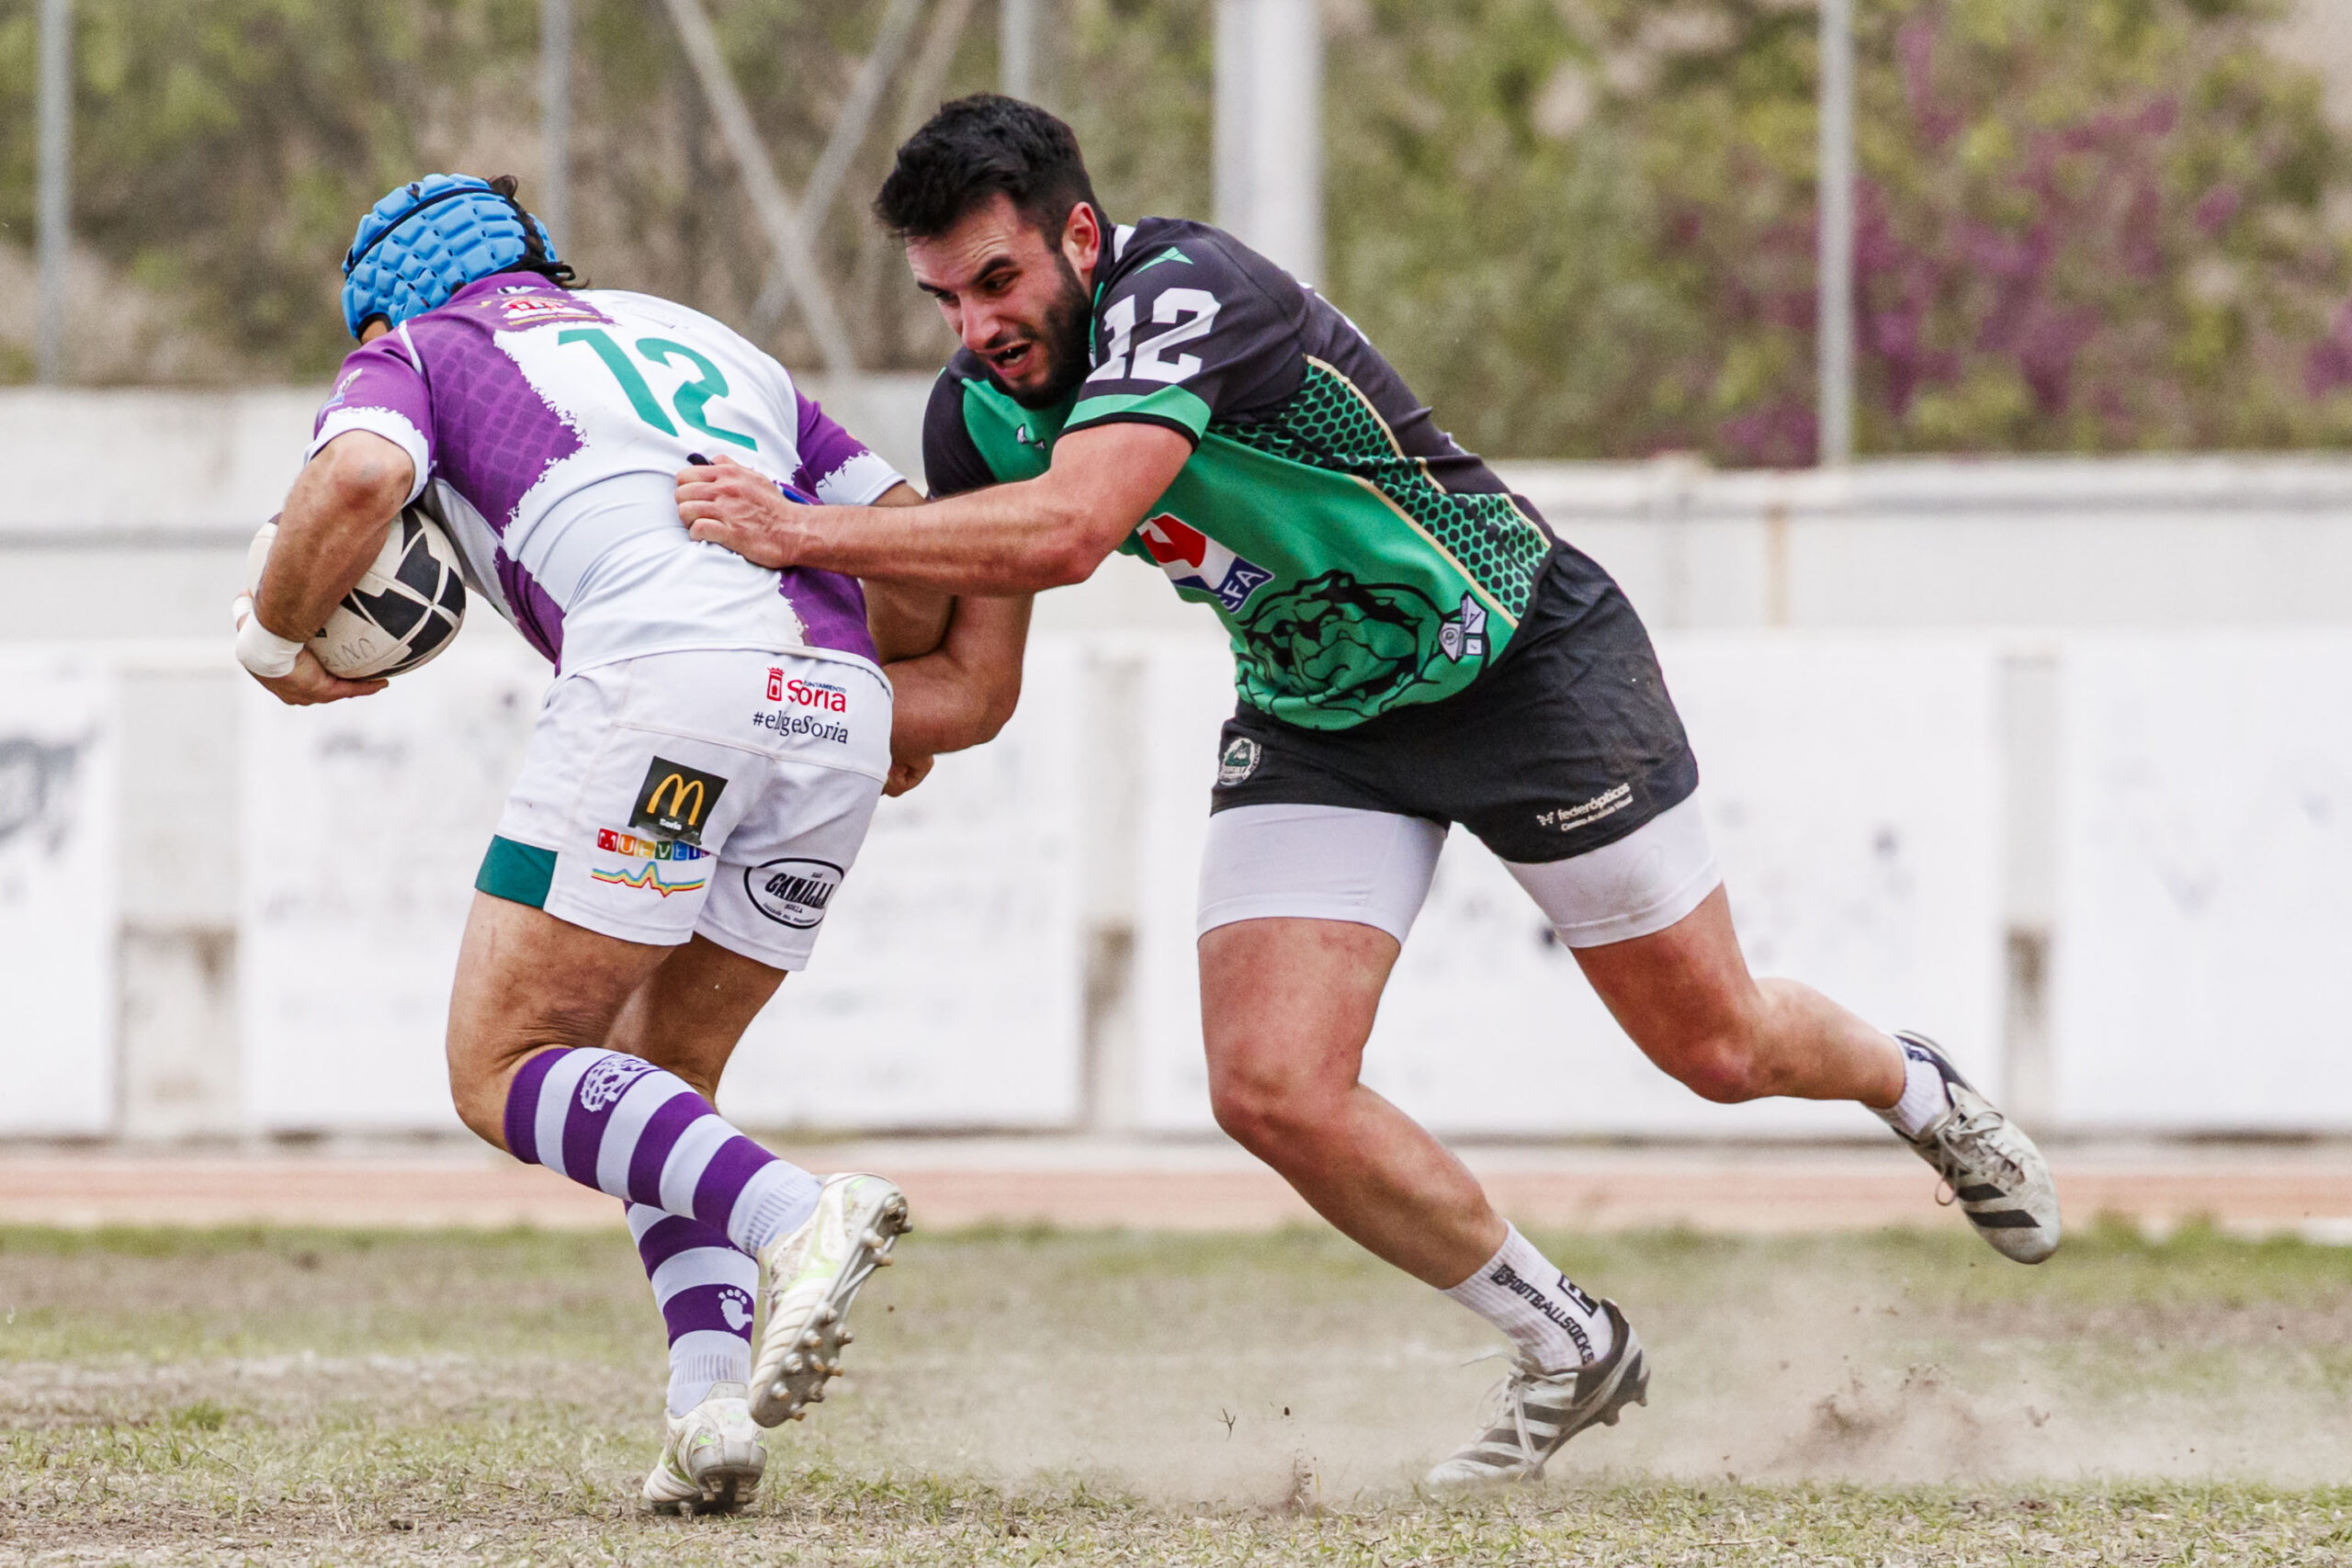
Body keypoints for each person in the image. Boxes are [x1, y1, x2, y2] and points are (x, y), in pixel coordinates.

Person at [673, 96, 2064, 1486]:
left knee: (1718, 1049)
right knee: (1269, 1085)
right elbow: (975, 691)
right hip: (1319, 713)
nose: (979, 326)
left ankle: (1916, 1088)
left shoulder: (1185, 292)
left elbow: (1079, 524)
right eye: (945, 299)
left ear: (1079, 237)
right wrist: (808, 715)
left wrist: (792, 528)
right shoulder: (977, 412)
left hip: (1522, 660)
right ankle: (1568, 1343)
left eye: (1000, 279)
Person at [234, 174, 1024, 1513]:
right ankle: (708, 1413)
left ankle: (795, 1216)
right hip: (829, 708)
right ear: (549, 256)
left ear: (376, 308)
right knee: (665, 1081)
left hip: (667, 684)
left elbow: (361, 474)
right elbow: (914, 552)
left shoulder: (419, 349)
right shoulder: (707, 340)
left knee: (505, 1067)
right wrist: (855, 683)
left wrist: (269, 639)